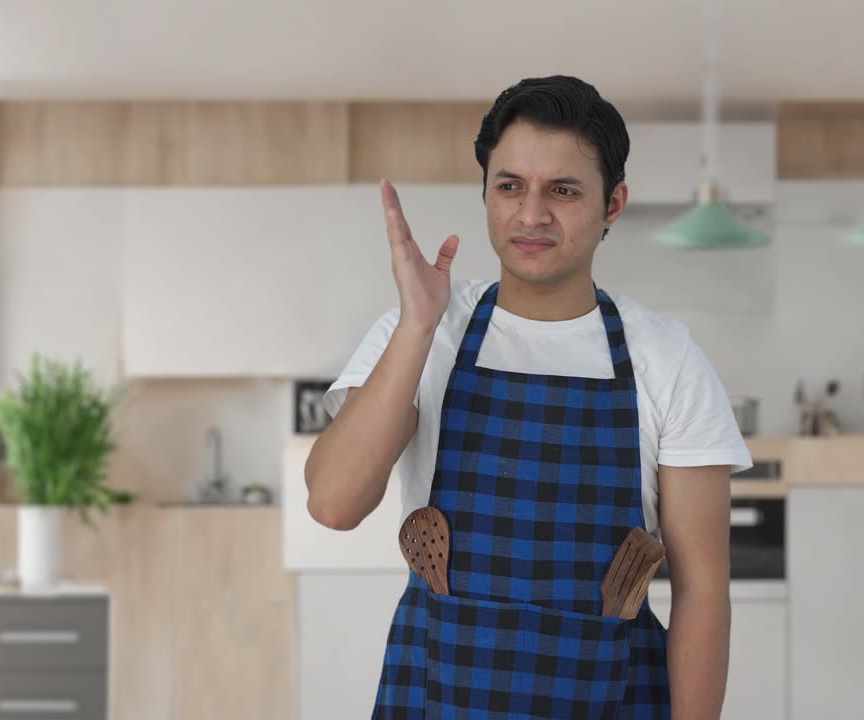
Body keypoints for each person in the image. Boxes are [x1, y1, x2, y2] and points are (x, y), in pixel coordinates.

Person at [304, 75, 752, 719]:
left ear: (613, 204)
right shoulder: (425, 331)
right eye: (510, 186)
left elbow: (703, 591)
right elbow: (333, 504)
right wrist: (416, 327)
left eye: (563, 190)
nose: (532, 214)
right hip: (438, 699)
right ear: (486, 192)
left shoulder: (668, 360)